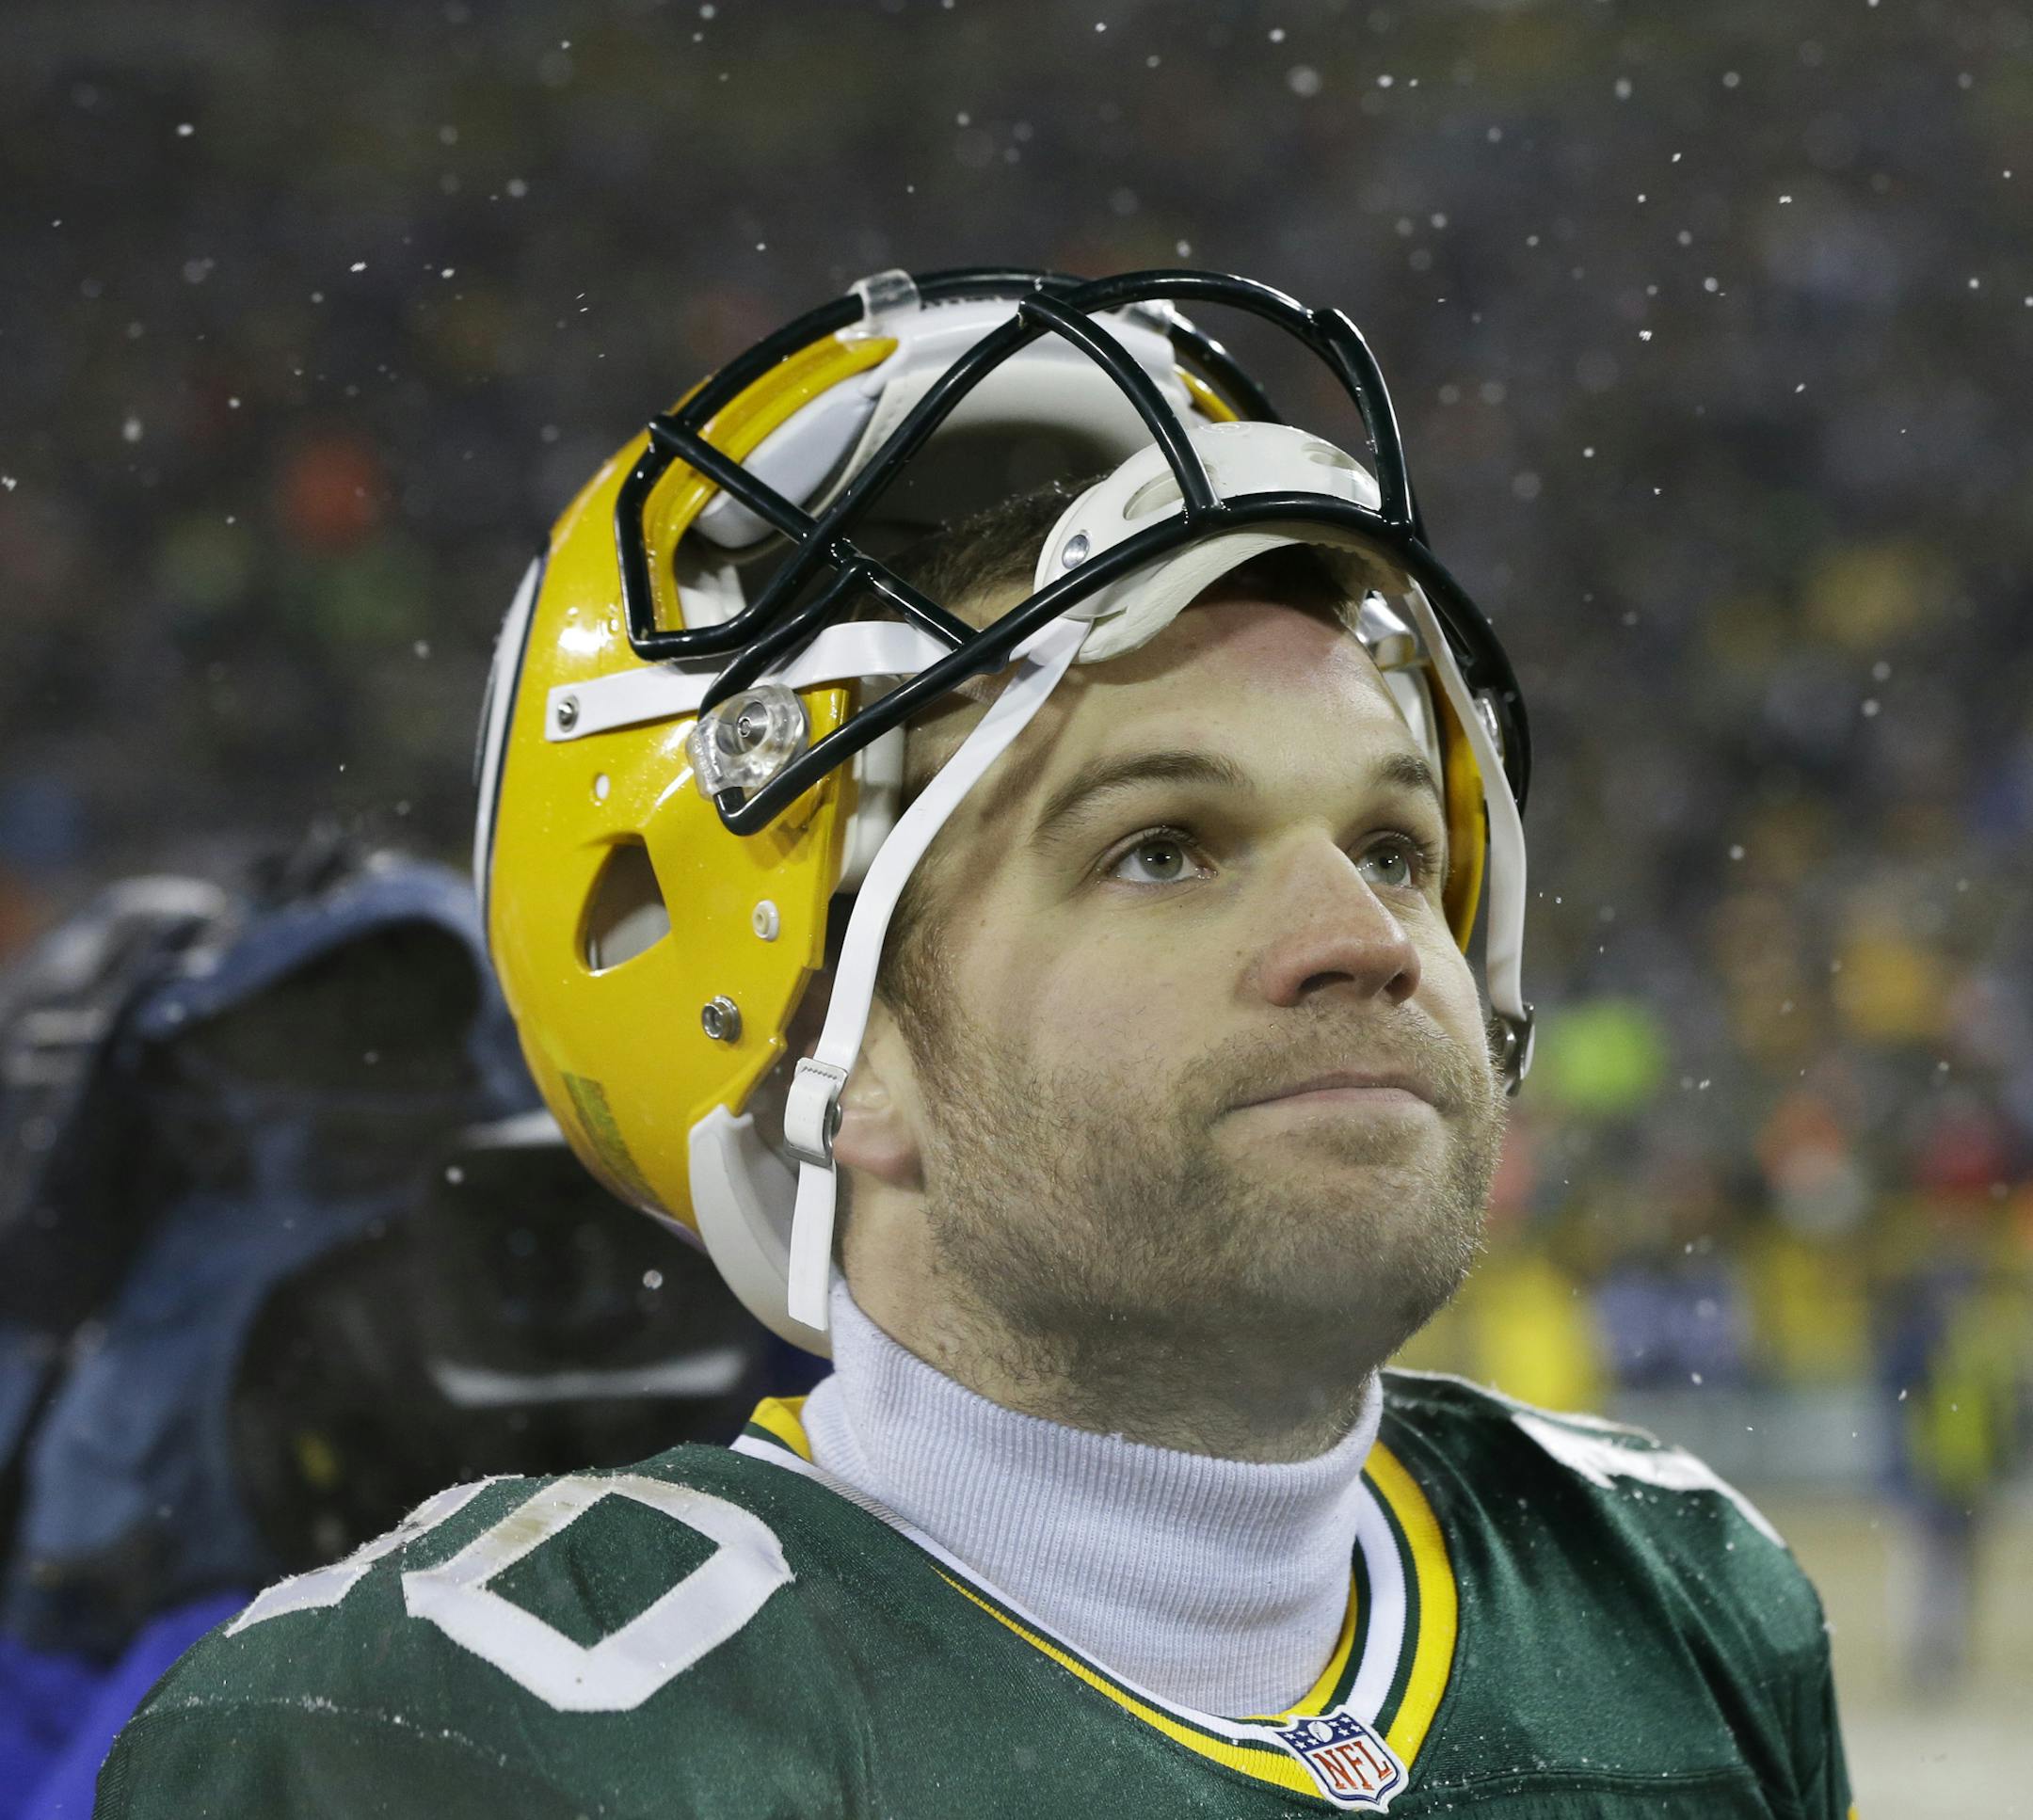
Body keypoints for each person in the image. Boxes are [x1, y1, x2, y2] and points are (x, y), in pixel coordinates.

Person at [98, 268, 1854, 1817]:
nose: (1370, 944)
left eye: (1397, 846)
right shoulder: (472, 1739)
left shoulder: (1679, 1597)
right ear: (840, 1056)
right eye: (1160, 847)